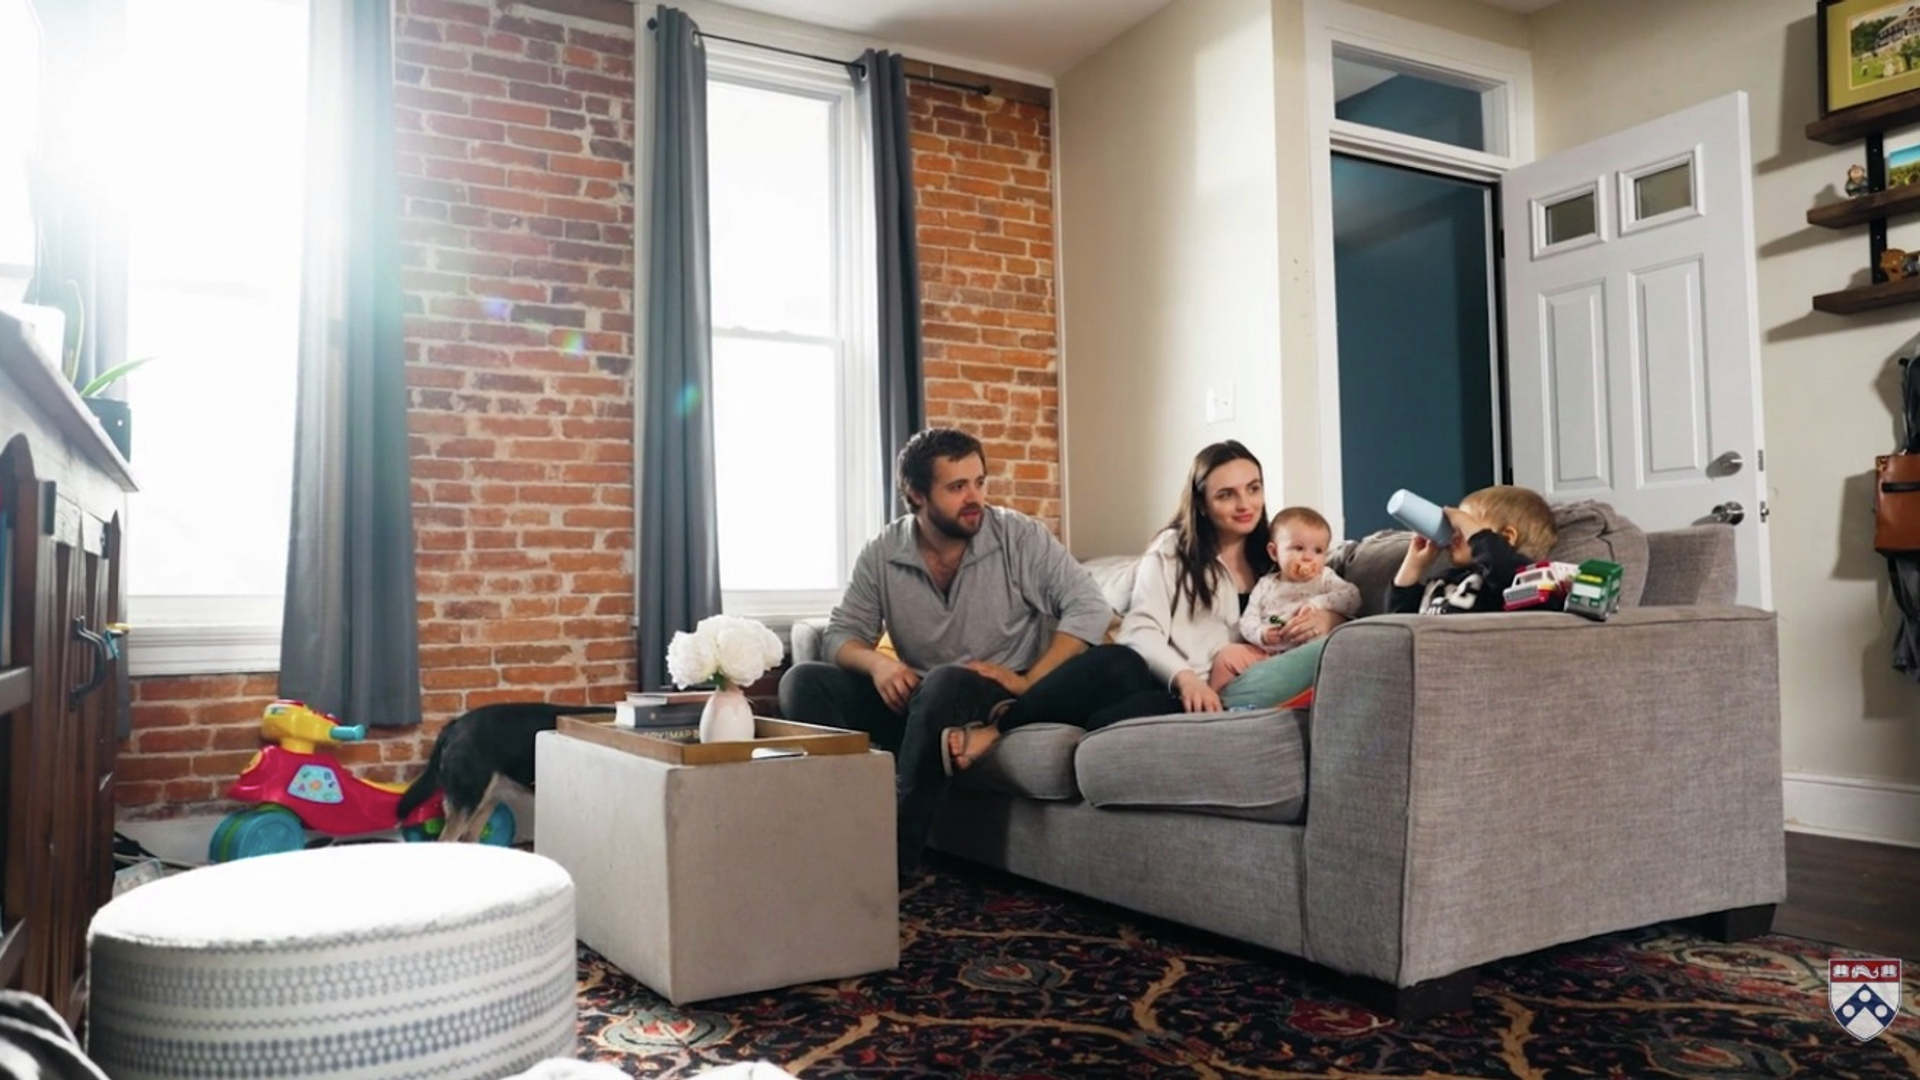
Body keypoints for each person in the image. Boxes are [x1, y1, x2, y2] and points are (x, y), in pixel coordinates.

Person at [778, 428, 1158, 877]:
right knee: (801, 681)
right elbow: (841, 634)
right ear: (917, 494)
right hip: (917, 698)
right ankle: (839, 824)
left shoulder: (1018, 536)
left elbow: (1089, 606)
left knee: (946, 681)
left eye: (980, 482)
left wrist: (1031, 680)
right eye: (957, 487)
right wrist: (879, 665)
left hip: (992, 690)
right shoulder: (883, 552)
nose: (974, 496)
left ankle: (890, 863)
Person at [1117, 441, 1351, 714]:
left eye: (1253, 489)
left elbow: (1325, 597)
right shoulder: (1172, 550)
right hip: (1182, 687)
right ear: (1202, 504)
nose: (1244, 505)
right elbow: (1139, 632)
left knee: (1344, 646)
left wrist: (1330, 618)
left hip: (1254, 680)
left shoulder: (1279, 553)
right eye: (1226, 495)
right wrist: (1187, 679)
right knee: (1110, 680)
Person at [1221, 506, 1361, 689]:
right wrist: (1261, 633)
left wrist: (1317, 603)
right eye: (1299, 548)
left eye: (1318, 551)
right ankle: (1217, 707)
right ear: (1274, 552)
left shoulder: (1325, 578)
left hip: (1304, 653)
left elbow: (1353, 597)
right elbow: (1248, 620)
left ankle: (1305, 693)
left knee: (1322, 646)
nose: (1308, 558)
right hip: (1265, 654)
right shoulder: (1266, 585)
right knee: (1226, 656)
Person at [1388, 484, 1560, 614]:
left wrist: (1475, 534)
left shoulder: (1508, 578)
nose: (1455, 532)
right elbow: (1400, 623)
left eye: (1464, 525)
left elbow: (1503, 568)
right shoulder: (1444, 578)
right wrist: (1413, 566)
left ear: (1506, 537)